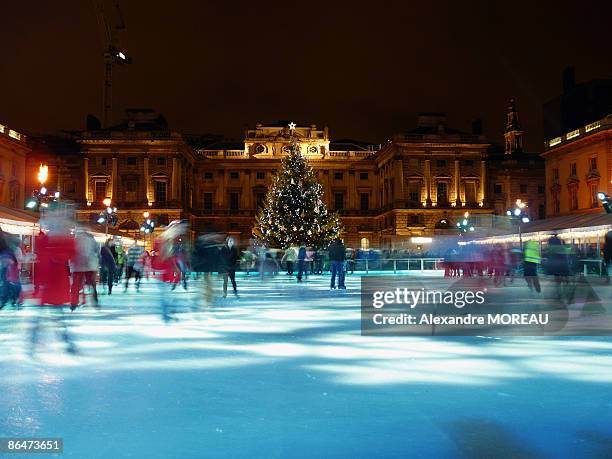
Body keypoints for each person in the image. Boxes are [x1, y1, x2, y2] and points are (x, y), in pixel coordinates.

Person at [70, 230, 100, 310]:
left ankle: (73, 303)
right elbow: (97, 252)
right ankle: (95, 299)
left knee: (76, 285)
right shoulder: (92, 240)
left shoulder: (75, 239)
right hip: (89, 265)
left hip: (78, 266)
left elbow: (71, 252)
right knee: (92, 283)